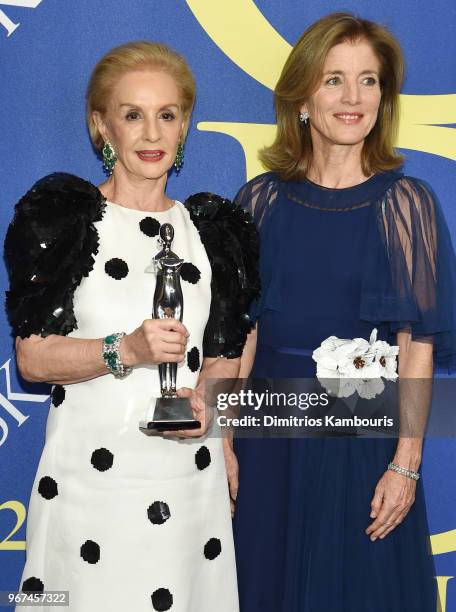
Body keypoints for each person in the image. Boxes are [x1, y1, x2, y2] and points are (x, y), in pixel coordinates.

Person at [5, 41, 259, 612]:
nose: (151, 134)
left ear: (185, 125)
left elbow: (227, 348)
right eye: (132, 115)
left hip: (189, 479)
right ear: (102, 126)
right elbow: (32, 359)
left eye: (166, 115)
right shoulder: (65, 219)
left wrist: (212, 410)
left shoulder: (215, 232)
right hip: (90, 484)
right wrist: (127, 349)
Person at [229, 12, 456, 612]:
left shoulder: (407, 203)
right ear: (303, 96)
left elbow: (418, 346)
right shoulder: (259, 201)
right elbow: (242, 335)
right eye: (333, 79)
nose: (352, 97)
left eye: (369, 81)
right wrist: (224, 443)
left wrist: (406, 465)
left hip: (362, 444)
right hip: (267, 439)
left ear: (384, 98)